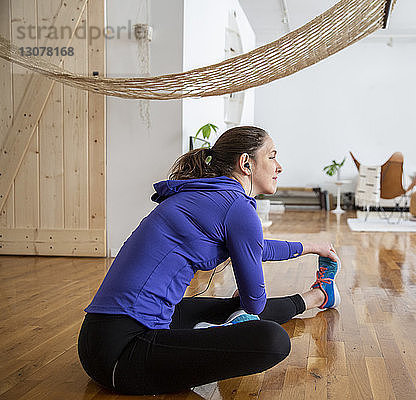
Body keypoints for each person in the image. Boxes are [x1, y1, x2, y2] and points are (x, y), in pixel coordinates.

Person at [77, 126, 341, 395]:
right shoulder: (237, 207)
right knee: (272, 340)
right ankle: (309, 299)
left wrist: (311, 247)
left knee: (233, 308)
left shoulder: (207, 194)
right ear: (246, 163)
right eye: (272, 156)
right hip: (123, 355)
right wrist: (248, 301)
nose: (279, 166)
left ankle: (318, 296)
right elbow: (255, 302)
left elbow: (254, 248)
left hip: (97, 338)